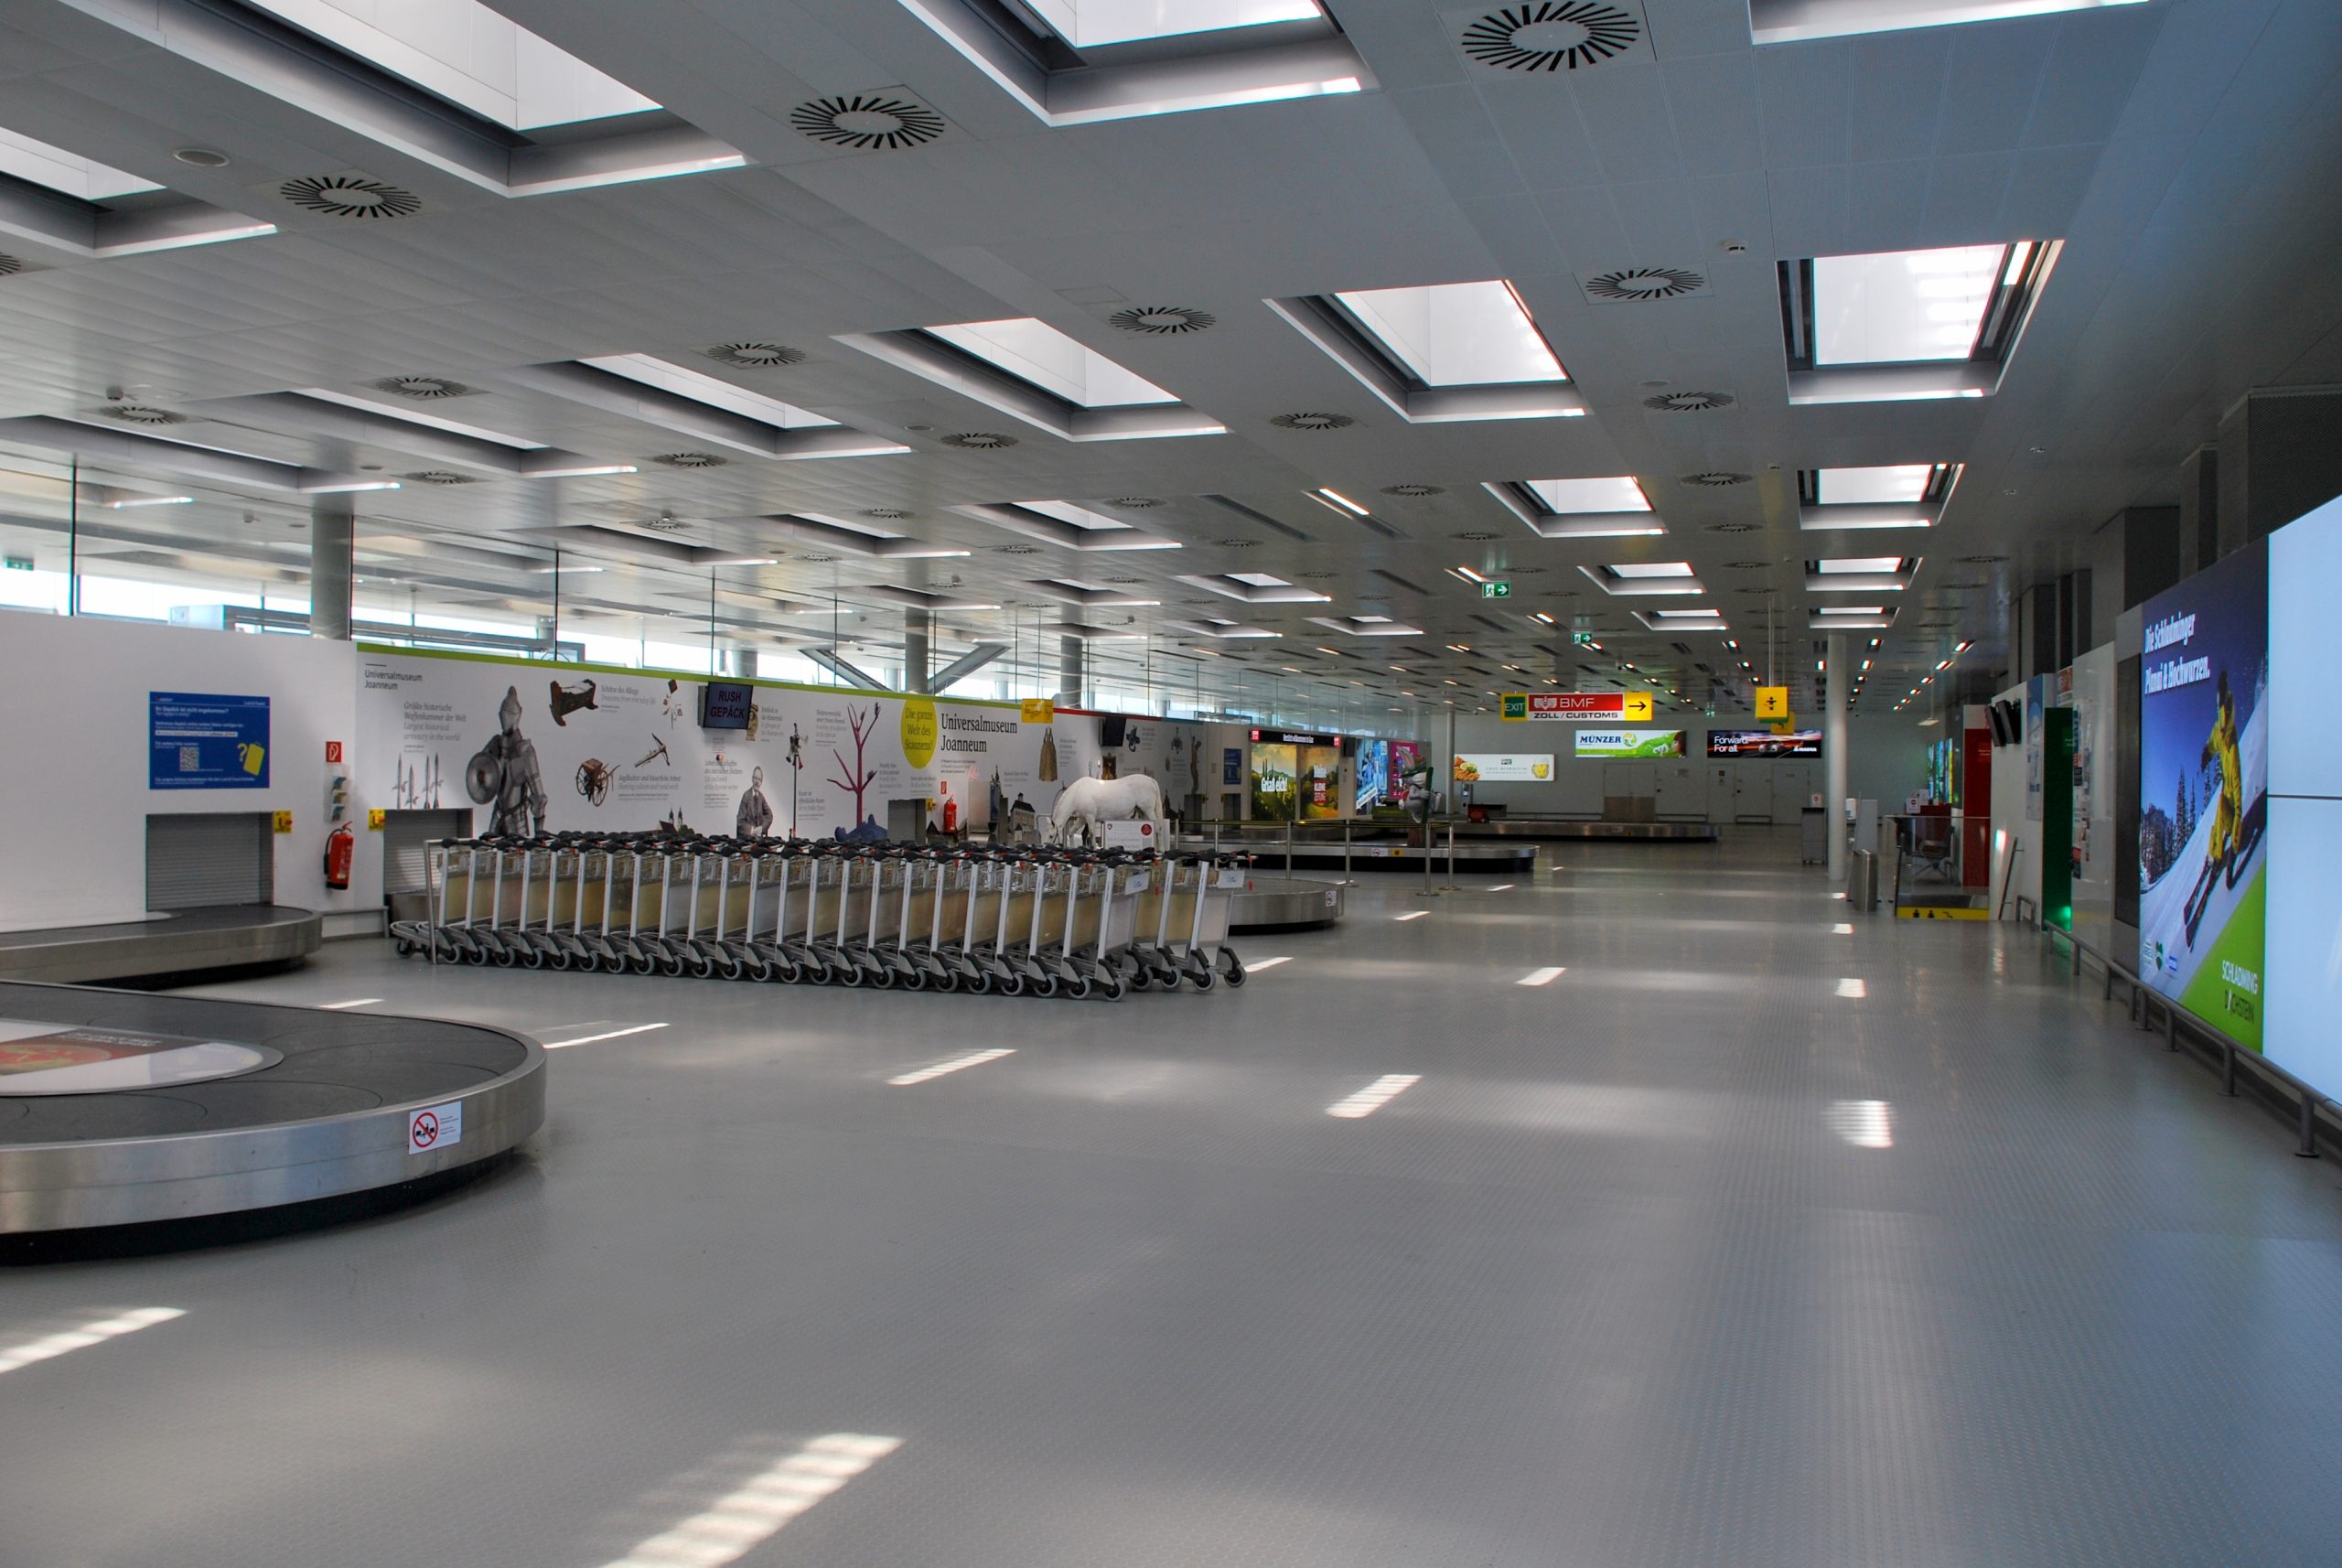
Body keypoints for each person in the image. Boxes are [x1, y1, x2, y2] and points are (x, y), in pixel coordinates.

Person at [484, 685, 547, 836]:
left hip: (517, 819)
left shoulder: (525, 752)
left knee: (518, 851)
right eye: (505, 715)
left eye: (510, 715)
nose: (507, 720)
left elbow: (538, 796)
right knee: (488, 849)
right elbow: (480, 771)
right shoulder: (494, 745)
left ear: (518, 715)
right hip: (497, 815)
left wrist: (539, 830)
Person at [736, 766, 774, 839]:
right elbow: (740, 822)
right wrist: (753, 830)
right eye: (756, 778)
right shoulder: (746, 796)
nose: (757, 782)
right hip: (747, 839)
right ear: (752, 779)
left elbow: (770, 815)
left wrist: (762, 828)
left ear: (761, 782)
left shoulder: (761, 797)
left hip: (759, 839)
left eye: (759, 779)